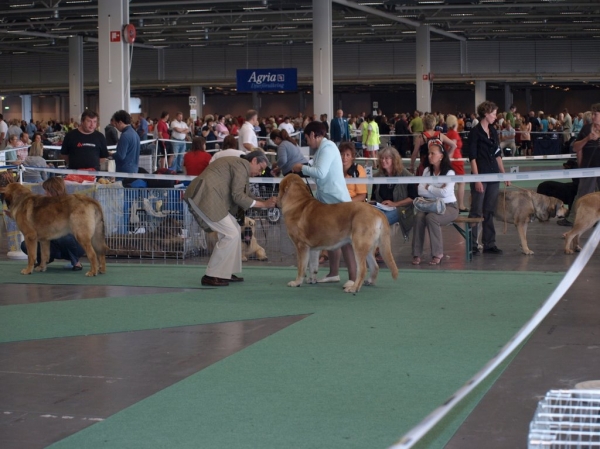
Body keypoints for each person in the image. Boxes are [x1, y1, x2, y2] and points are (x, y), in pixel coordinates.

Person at [184, 151, 277, 287]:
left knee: (235, 229)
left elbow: (246, 195)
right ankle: (212, 275)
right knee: (231, 234)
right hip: (204, 197)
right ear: (254, 160)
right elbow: (238, 196)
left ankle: (226, 272)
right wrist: (264, 204)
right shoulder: (242, 166)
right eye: (261, 170)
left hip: (208, 197)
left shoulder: (240, 166)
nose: (260, 173)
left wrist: (266, 203)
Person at [291, 121, 357, 289]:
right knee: (332, 237)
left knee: (348, 239)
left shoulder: (327, 148)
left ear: (314, 134)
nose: (307, 142)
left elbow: (319, 172)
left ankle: (353, 277)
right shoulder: (322, 149)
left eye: (307, 138)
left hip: (338, 200)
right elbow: (319, 175)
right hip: (327, 201)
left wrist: (302, 167)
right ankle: (333, 273)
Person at [468, 100, 510, 255]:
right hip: (481, 174)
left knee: (489, 211)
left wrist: (503, 173)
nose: (495, 117)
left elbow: (497, 154)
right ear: (486, 114)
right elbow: (472, 157)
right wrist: (477, 179)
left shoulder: (493, 131)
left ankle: (489, 243)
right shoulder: (475, 133)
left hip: (493, 175)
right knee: (476, 211)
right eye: (493, 114)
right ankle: (472, 244)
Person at [20, 177, 85, 271]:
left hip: (75, 243)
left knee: (63, 235)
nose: (45, 193)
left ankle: (76, 262)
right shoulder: (44, 205)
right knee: (25, 244)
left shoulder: (71, 204)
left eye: (47, 191)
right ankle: (44, 261)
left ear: (54, 190)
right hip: (53, 243)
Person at [411, 139, 459, 265]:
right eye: (429, 153)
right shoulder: (427, 171)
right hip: (430, 205)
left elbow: (446, 193)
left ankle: (438, 254)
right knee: (419, 217)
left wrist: (430, 187)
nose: (429, 156)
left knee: (432, 218)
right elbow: (421, 191)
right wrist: (438, 189)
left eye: (433, 153)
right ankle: (416, 253)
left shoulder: (450, 172)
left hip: (450, 207)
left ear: (441, 156)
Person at [557, 103, 600, 227]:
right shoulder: (586, 129)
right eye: (592, 114)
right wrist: (587, 139)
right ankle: (573, 219)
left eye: (595, 114)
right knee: (582, 195)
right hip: (588, 168)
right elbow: (576, 147)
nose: (593, 116)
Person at [370, 146, 416, 240]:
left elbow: (413, 197)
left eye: (387, 158)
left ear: (394, 160)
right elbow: (374, 197)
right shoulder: (377, 176)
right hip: (381, 208)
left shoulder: (406, 175)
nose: (383, 160)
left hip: (401, 209)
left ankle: (376, 247)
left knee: (380, 221)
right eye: (382, 158)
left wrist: (395, 204)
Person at [445, 114, 467, 212]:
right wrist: (449, 161)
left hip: (454, 159)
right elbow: (452, 148)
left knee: (451, 182)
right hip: (456, 160)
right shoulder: (453, 134)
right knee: (461, 183)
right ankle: (461, 205)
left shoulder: (449, 133)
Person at [112, 110, 140, 174]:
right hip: (134, 169)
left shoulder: (125, 135)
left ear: (120, 122)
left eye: (116, 124)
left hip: (124, 171)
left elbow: (120, 156)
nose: (115, 126)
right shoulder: (135, 134)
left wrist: (111, 155)